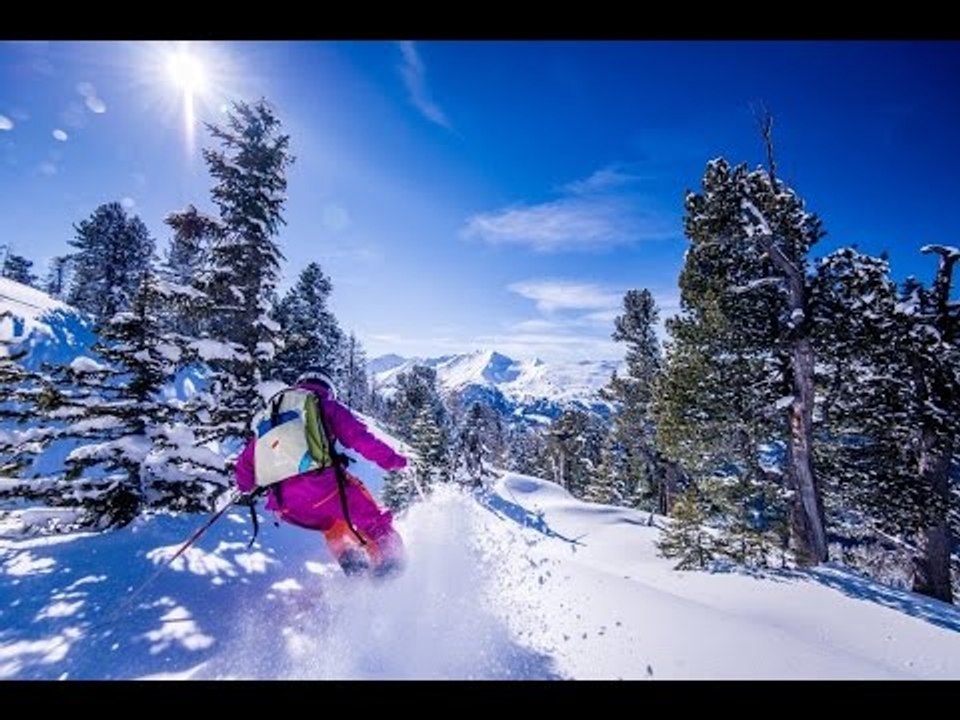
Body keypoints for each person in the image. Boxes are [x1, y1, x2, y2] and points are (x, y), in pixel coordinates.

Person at [234, 369, 408, 577]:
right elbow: (361, 439)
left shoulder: (272, 420)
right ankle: (394, 566)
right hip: (324, 490)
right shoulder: (326, 406)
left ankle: (353, 565)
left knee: (333, 522)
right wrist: (394, 461)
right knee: (371, 516)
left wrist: (243, 487)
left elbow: (245, 467)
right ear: (328, 389)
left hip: (287, 507)